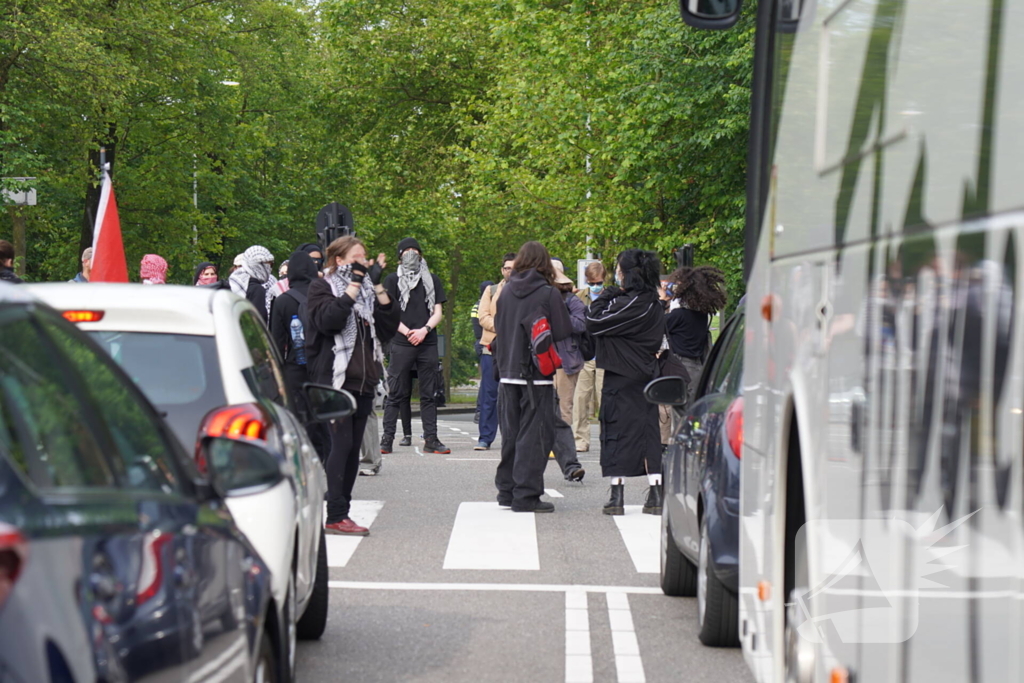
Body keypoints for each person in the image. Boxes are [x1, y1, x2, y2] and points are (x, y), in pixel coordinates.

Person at [307, 236, 398, 535]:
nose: (363, 260)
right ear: (339, 260)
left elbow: (387, 326)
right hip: (335, 379)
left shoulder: (368, 292)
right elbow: (329, 320)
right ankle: (335, 513)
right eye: (356, 256)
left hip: (365, 379)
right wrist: (354, 285)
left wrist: (378, 284)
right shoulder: (323, 286)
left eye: (365, 256)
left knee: (352, 450)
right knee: (341, 445)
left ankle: (341, 512)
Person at [493, 241, 572, 513]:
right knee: (535, 436)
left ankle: (506, 491)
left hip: (506, 371)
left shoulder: (504, 292)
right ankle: (526, 496)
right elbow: (562, 330)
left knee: (511, 435)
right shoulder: (547, 293)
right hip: (536, 373)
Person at [586, 249, 665, 516]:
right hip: (646, 375)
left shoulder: (632, 302)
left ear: (627, 272)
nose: (616, 273)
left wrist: (605, 295)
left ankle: (616, 496)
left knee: (616, 433)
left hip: (621, 376)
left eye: (619, 268)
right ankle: (655, 494)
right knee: (649, 435)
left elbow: (594, 321)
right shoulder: (653, 302)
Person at [380, 237, 449, 455]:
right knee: (396, 393)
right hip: (401, 342)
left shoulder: (432, 280)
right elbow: (386, 312)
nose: (411, 253)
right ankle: (387, 439)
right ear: (399, 255)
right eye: (407, 250)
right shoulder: (391, 280)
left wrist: (424, 330)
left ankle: (431, 439)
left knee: (429, 394)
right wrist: (406, 331)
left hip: (427, 342)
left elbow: (438, 311)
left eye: (415, 250)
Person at [269, 250, 329, 462]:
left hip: (296, 367)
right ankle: (328, 461)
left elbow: (276, 340)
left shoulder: (282, 301)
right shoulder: (325, 294)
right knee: (325, 415)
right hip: (324, 365)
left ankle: (304, 461)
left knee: (300, 417)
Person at [665, 265, 727, 405]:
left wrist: (663, 301)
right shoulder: (701, 315)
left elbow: (654, 326)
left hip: (681, 367)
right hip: (696, 367)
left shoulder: (679, 315)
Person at [476, 252, 517, 450]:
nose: (510, 271)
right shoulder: (491, 291)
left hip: (516, 349)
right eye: (507, 268)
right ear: (502, 270)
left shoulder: (526, 290)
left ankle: (513, 438)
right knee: (489, 395)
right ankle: (485, 437)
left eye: (514, 268)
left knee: (515, 395)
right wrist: (503, 326)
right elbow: (482, 316)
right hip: (491, 348)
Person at [572, 261, 607, 451]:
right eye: (592, 282)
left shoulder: (612, 298)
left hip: (604, 354)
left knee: (605, 399)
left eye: (599, 282)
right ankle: (580, 440)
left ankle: (607, 439)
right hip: (585, 355)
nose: (596, 286)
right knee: (580, 399)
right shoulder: (578, 298)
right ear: (587, 280)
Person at [229, 245, 277, 323]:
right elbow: (259, 321)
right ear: (259, 265)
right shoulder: (257, 289)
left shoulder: (234, 282)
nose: (270, 269)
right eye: (270, 265)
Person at [470, 280, 493, 425]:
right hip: (485, 342)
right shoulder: (483, 307)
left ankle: (480, 411)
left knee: (487, 379)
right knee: (487, 380)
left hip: (480, 342)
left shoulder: (477, 305)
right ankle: (480, 411)